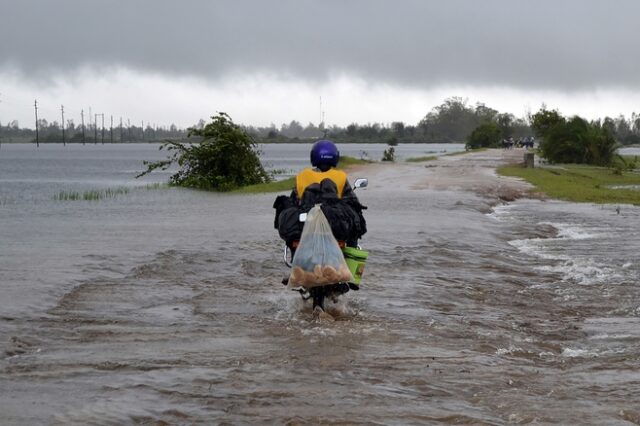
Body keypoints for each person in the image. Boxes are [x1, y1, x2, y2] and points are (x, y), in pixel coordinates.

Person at [273, 139, 366, 250]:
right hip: (334, 228)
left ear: (313, 156)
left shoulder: (302, 176)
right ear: (335, 156)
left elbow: (295, 200)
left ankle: (295, 256)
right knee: (355, 220)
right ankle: (352, 251)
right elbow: (351, 201)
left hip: (307, 226)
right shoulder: (340, 176)